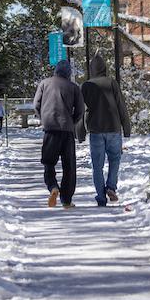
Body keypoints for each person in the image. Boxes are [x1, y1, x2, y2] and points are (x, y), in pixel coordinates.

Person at [77, 53, 132, 207]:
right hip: (114, 128)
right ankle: (111, 187)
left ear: (91, 69)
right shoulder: (112, 83)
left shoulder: (86, 86)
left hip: (95, 130)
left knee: (97, 165)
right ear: (104, 68)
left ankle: (101, 197)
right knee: (115, 160)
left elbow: (81, 111)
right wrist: (126, 127)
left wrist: (80, 132)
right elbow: (121, 105)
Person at [33, 60, 84, 209]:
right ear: (69, 73)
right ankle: (67, 200)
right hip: (67, 131)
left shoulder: (44, 83)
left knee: (48, 162)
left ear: (56, 71)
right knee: (69, 166)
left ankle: (53, 186)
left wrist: (44, 119)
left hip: (50, 130)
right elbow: (80, 111)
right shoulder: (74, 87)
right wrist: (71, 122)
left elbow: (36, 104)